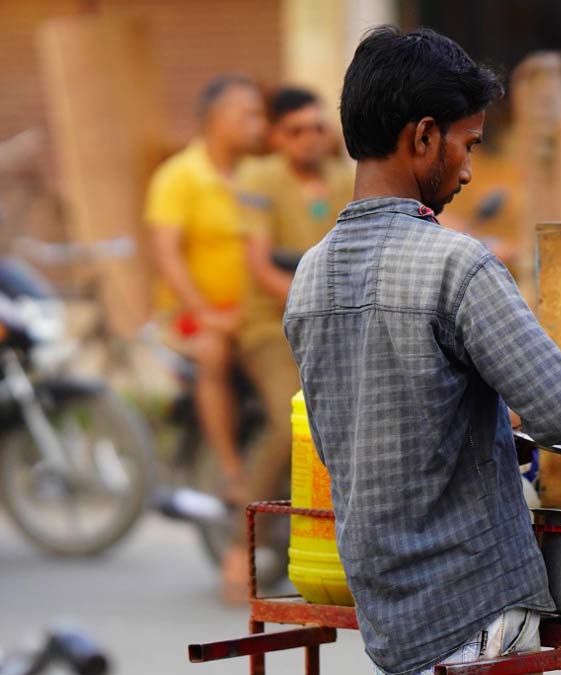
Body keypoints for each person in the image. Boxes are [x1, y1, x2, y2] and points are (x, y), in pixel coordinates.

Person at [284, 27, 561, 675]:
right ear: (421, 137)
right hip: (475, 604)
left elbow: (353, 440)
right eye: (466, 144)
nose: (470, 169)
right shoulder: (455, 265)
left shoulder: (310, 276)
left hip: (387, 611)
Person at [223, 87, 354, 597]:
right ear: (277, 136)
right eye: (296, 130)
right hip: (268, 328)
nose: (309, 139)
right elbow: (259, 269)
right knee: (291, 420)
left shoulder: (346, 180)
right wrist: (317, 303)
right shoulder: (259, 180)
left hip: (335, 327)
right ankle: (241, 547)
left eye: (317, 128)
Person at [145, 76, 265, 511]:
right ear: (217, 119)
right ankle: (232, 472)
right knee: (214, 351)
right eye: (247, 114)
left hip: (252, 310)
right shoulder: (179, 175)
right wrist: (205, 312)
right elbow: (166, 255)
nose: (258, 123)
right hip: (193, 312)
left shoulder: (257, 174)